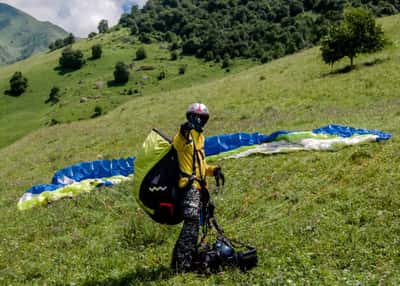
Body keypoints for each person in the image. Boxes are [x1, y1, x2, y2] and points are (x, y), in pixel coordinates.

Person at [171, 102, 225, 272]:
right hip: (188, 188)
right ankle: (180, 264)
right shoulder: (184, 135)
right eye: (196, 117)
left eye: (202, 118)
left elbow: (201, 166)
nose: (199, 121)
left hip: (199, 188)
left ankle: (188, 258)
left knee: (196, 225)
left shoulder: (200, 138)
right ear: (190, 118)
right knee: (191, 224)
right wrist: (184, 130)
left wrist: (214, 170)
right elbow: (177, 145)